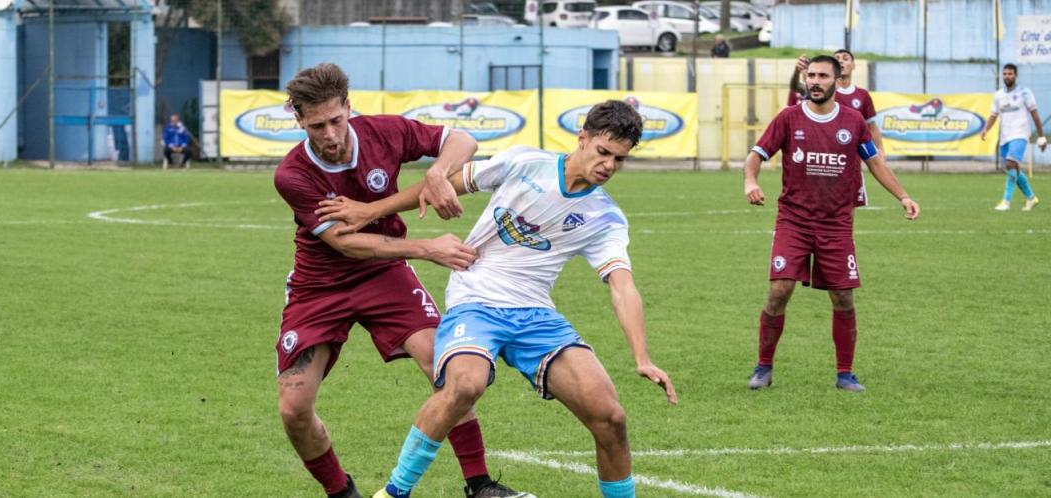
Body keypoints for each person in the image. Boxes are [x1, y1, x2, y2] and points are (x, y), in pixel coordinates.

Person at [320, 100, 678, 498]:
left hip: (536, 315)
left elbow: (622, 286)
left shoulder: (605, 217)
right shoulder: (525, 162)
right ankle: (392, 493)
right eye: (603, 152)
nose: (609, 166)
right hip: (476, 300)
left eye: (620, 160)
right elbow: (441, 185)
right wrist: (369, 211)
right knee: (465, 385)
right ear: (582, 139)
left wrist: (642, 357)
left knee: (610, 417)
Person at [273, 63, 527, 498]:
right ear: (299, 121)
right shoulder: (293, 174)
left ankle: (480, 485)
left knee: (447, 367)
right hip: (321, 286)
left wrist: (436, 171)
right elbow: (348, 244)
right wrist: (429, 248)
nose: (331, 134)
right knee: (294, 408)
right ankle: (342, 493)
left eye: (337, 120)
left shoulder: (384, 132)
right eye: (317, 126)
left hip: (385, 275)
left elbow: (462, 140)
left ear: (349, 107)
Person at [744, 55, 920, 393]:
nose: (815, 81)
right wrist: (750, 181)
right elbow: (756, 155)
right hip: (793, 222)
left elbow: (875, 163)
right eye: (811, 75)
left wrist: (903, 196)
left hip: (836, 225)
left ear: (836, 80)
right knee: (779, 291)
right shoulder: (788, 118)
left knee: (843, 298)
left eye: (823, 76)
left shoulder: (853, 122)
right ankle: (763, 367)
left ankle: (845, 374)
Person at [788, 50, 884, 206]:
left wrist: (880, 149)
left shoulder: (862, 95)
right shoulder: (822, 90)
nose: (841, 61)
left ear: (853, 65)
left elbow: (871, 127)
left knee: (847, 215)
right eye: (837, 58)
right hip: (823, 161)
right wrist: (796, 72)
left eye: (845, 58)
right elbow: (796, 87)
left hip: (851, 165)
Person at [980, 63, 1046, 211]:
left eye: (1010, 74)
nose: (1007, 76)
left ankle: (1006, 201)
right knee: (1012, 168)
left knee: (1010, 164)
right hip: (1005, 136)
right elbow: (993, 115)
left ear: (1015, 75)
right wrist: (986, 129)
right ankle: (1031, 198)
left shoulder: (1025, 93)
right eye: (1005, 74)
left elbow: (1034, 114)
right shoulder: (998, 95)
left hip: (1020, 134)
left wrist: (1041, 136)